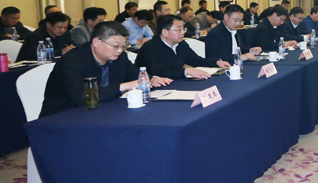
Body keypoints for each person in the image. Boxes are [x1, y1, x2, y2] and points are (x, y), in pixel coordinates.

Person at [40, 21, 172, 117]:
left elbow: (134, 75)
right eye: (115, 46)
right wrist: (125, 86)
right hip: (64, 117)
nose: (120, 50)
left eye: (123, 46)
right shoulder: (71, 62)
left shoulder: (119, 57)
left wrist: (151, 79)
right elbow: (81, 98)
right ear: (96, 42)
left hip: (104, 111)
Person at [135, 15, 230, 80]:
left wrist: (216, 62)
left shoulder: (181, 44)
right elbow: (159, 72)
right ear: (165, 32)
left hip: (176, 82)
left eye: (183, 29)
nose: (183, 33)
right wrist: (186, 71)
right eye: (178, 30)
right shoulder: (150, 48)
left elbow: (197, 61)